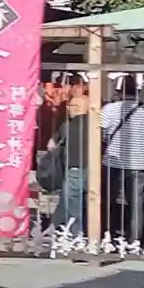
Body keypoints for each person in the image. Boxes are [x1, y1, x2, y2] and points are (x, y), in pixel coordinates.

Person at [102, 77, 144, 245]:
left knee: (108, 201)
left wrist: (109, 138)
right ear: (137, 92)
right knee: (136, 204)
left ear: (119, 91)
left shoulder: (109, 109)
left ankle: (106, 234)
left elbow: (99, 131)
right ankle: (134, 240)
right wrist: (141, 141)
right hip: (137, 163)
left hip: (112, 161)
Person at [50, 81, 91, 237]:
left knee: (73, 204)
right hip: (93, 170)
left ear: (79, 108)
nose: (68, 109)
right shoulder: (96, 125)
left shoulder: (68, 125)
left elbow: (51, 145)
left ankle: (76, 234)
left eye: (71, 106)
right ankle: (56, 226)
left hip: (74, 167)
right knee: (83, 201)